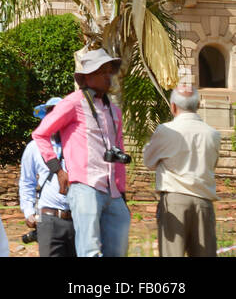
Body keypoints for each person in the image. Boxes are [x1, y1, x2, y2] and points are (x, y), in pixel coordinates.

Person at [33, 45, 130, 257]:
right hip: (85, 185)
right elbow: (40, 134)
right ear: (86, 78)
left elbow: (119, 150)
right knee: (90, 251)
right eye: (101, 71)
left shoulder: (114, 110)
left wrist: (121, 192)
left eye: (109, 71)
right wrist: (58, 170)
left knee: (118, 251)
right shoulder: (73, 102)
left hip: (112, 191)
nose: (108, 76)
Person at [142, 84, 222, 257]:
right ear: (198, 105)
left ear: (173, 106)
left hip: (174, 200)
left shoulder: (166, 130)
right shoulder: (213, 134)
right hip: (203, 202)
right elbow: (213, 164)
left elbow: (148, 161)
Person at [19, 97, 73, 258]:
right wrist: (28, 211)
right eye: (52, 114)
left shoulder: (75, 144)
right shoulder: (34, 147)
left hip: (78, 218)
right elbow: (27, 181)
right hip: (49, 219)